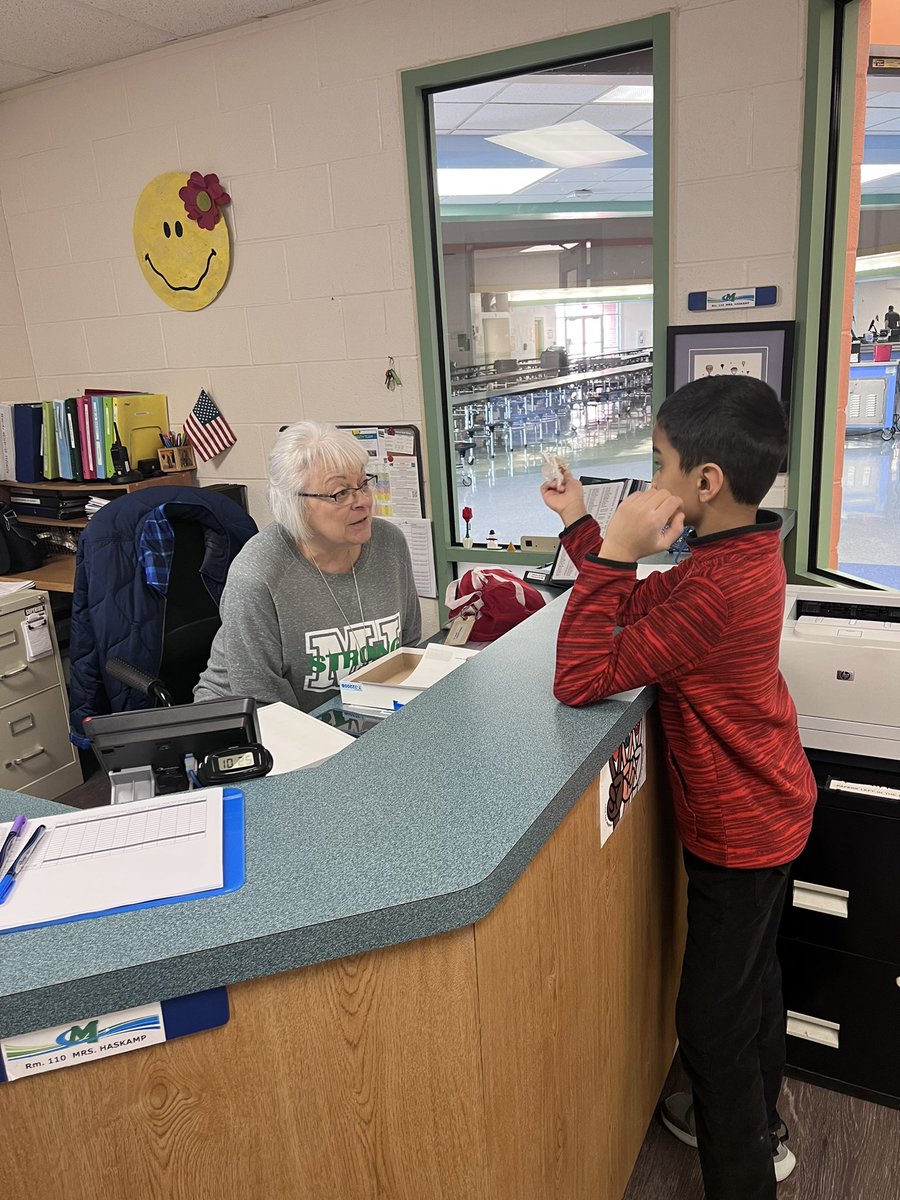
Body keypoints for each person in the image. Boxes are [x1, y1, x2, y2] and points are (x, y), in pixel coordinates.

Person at [540, 375, 816, 1200]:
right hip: (773, 806)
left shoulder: (717, 589)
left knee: (710, 1025)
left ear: (706, 482)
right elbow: (643, 601)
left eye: (658, 463)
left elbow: (581, 673)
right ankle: (760, 1125)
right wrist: (585, 527)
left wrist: (618, 551)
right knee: (753, 982)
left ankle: (745, 1171)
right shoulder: (738, 550)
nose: (651, 480)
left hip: (740, 833)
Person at [194, 421, 421, 713]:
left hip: (349, 718)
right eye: (340, 493)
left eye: (363, 483)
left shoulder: (390, 544)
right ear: (294, 504)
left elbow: (409, 649)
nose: (363, 501)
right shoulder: (257, 576)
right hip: (249, 727)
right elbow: (266, 706)